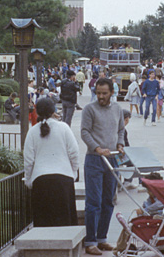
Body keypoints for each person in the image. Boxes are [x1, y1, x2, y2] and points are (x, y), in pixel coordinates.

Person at [81, 78, 125, 255]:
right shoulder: (89, 109)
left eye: (104, 93)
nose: (100, 96)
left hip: (112, 158)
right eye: (98, 93)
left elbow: (121, 129)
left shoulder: (117, 109)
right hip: (94, 159)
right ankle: (90, 241)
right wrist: (97, 148)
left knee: (108, 200)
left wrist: (120, 144)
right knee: (94, 201)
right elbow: (84, 131)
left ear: (111, 93)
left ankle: (102, 238)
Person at [24, 97, 80, 227]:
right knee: (65, 222)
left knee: (44, 221)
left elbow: (28, 160)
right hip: (64, 179)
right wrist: (73, 172)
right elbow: (74, 152)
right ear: (53, 110)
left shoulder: (32, 131)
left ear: (37, 112)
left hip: (40, 180)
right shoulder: (64, 128)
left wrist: (28, 179)